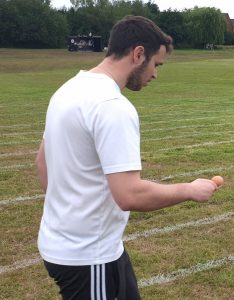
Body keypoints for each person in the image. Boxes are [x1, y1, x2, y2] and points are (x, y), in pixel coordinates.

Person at [35, 16, 219, 299]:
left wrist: (67, 209)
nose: (155, 75)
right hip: (89, 256)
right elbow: (129, 195)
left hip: (77, 246)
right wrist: (190, 190)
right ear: (138, 54)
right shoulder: (112, 106)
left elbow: (42, 163)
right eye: (156, 64)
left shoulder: (68, 89)